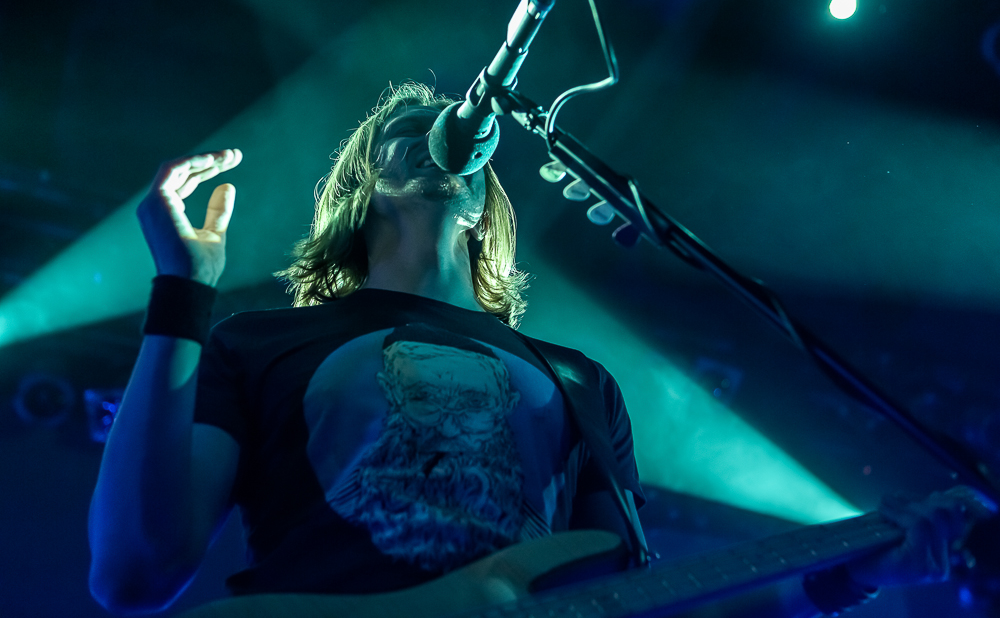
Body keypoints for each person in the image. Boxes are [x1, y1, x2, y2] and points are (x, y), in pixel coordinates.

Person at [88, 82, 989, 617]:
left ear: (485, 199)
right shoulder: (263, 341)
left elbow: (632, 606)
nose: (436, 132)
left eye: (451, 132)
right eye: (402, 132)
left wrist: (847, 578)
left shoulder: (580, 382)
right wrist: (182, 289)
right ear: (361, 189)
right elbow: (133, 571)